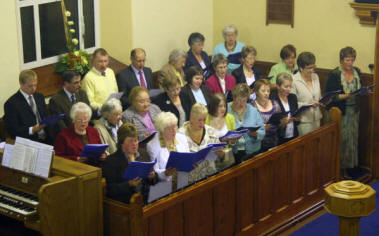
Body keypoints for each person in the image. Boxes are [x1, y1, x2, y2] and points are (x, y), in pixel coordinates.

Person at [325, 47, 362, 179]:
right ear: (341, 60)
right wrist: (348, 95)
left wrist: (363, 92)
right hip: (340, 113)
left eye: (352, 60)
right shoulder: (335, 74)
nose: (350, 63)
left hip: (353, 112)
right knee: (341, 141)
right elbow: (330, 97)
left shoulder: (357, 71)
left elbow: (359, 89)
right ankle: (338, 171)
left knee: (351, 141)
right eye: (347, 60)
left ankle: (349, 168)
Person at [102, 122, 158, 205]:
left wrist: (152, 176)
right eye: (130, 141)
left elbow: (153, 181)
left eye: (136, 140)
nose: (134, 144)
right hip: (127, 204)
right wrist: (129, 184)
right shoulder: (111, 161)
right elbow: (110, 190)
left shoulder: (143, 154)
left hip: (147, 200)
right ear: (121, 143)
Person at [178, 103, 224, 183]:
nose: (202, 123)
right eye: (199, 120)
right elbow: (178, 161)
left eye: (204, 119)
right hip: (189, 182)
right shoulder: (180, 135)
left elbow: (221, 156)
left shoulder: (210, 131)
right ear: (191, 118)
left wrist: (221, 153)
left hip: (211, 177)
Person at [147, 112, 189, 191]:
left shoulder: (182, 138)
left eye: (175, 126)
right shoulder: (152, 145)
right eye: (170, 128)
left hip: (184, 182)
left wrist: (192, 163)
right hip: (165, 187)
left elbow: (188, 157)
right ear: (162, 130)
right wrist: (165, 173)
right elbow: (155, 171)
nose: (174, 130)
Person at [4, 70, 49, 143]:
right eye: (30, 86)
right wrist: (32, 130)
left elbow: (45, 117)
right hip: (29, 141)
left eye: (35, 85)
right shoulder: (11, 104)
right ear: (21, 83)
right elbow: (13, 130)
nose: (33, 88)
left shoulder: (39, 97)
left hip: (46, 137)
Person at [228, 84, 265, 163]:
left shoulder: (253, 110)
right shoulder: (225, 110)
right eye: (239, 100)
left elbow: (262, 131)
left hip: (252, 151)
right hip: (233, 153)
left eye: (244, 100)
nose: (241, 104)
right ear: (233, 98)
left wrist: (256, 134)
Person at [49, 70, 91, 139]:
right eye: (76, 83)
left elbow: (89, 113)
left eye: (80, 82)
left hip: (85, 132)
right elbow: (60, 125)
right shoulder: (56, 100)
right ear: (66, 84)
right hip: (69, 137)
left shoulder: (82, 94)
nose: (79, 85)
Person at [291, 52, 322, 136]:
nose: (311, 70)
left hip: (317, 118)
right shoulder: (294, 81)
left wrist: (323, 100)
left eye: (313, 67)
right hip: (304, 121)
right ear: (300, 68)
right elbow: (292, 104)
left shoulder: (316, 76)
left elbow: (318, 96)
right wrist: (307, 104)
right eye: (308, 68)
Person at [206, 93, 236, 168]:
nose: (223, 108)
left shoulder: (230, 118)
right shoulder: (206, 119)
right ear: (214, 106)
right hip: (211, 156)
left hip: (227, 154)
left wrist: (232, 141)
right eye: (220, 106)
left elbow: (233, 141)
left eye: (224, 106)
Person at [251, 79, 282, 152]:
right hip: (258, 145)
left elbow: (279, 126)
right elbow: (249, 130)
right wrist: (262, 129)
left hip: (275, 142)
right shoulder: (251, 106)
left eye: (268, 91)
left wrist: (283, 123)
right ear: (256, 92)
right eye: (263, 91)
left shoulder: (275, 103)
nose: (266, 93)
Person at [270, 72, 300, 144]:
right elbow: (270, 123)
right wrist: (281, 124)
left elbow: (296, 117)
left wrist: (297, 119)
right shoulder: (272, 99)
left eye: (290, 86)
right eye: (286, 87)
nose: (289, 89)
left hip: (293, 135)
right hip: (278, 139)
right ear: (278, 86)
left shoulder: (293, 97)